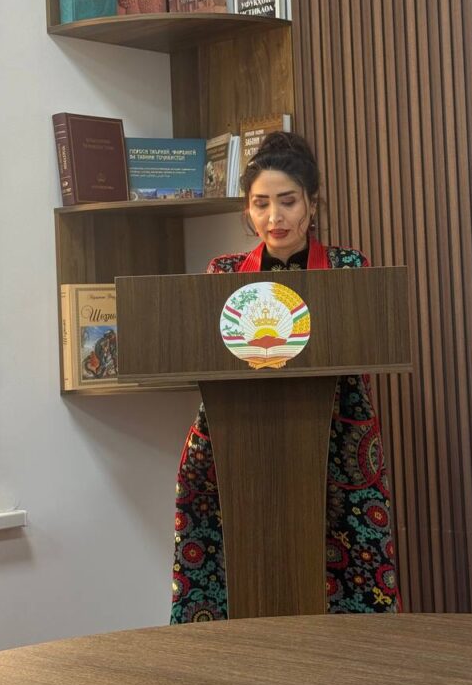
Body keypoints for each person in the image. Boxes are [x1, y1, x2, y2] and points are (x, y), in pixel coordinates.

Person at [170, 132, 401, 622]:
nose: (274, 217)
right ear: (247, 211)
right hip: (233, 438)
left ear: (312, 204)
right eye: (261, 204)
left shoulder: (346, 268)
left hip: (336, 438)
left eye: (288, 201)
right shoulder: (224, 273)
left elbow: (367, 348)